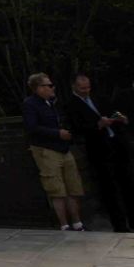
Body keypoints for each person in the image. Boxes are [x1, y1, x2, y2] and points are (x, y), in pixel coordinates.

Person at [65, 74, 134, 232]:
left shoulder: (99, 98)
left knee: (128, 184)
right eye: (82, 88)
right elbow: (77, 128)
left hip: (117, 145)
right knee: (110, 190)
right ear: (74, 87)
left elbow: (113, 111)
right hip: (100, 151)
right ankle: (120, 225)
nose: (86, 90)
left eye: (88, 87)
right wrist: (98, 125)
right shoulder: (71, 105)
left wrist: (120, 118)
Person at [22, 72, 86, 232]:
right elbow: (32, 127)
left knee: (73, 186)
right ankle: (64, 225)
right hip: (47, 150)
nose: (52, 88)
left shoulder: (52, 103)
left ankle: (78, 223)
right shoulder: (30, 104)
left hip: (63, 148)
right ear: (38, 88)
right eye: (49, 85)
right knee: (56, 189)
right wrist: (57, 133)